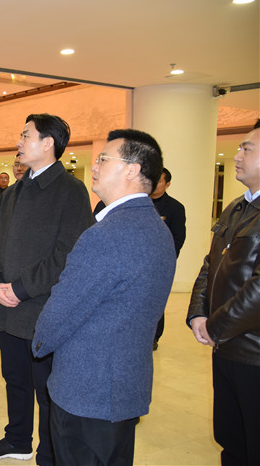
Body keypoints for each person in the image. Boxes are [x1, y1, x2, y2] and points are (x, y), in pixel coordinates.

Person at [32, 129, 176, 466]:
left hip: (87, 391)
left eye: (103, 159)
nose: (94, 166)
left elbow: (63, 310)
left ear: (131, 170)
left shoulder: (106, 235)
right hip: (124, 387)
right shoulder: (157, 229)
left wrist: (39, 343)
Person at [0, 114, 93, 464]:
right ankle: (17, 440)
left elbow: (68, 253)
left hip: (45, 309)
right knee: (14, 378)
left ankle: (49, 452)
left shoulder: (70, 191)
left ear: (48, 143)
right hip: (8, 305)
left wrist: (21, 288)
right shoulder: (12, 193)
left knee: (47, 388)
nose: (19, 142)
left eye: (25, 135)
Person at [187, 123, 260, 465]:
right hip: (226, 348)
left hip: (253, 352)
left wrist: (215, 326)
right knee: (231, 439)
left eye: (247, 149)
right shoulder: (236, 207)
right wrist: (198, 313)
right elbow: (210, 263)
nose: (238, 155)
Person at [0, 155, 28, 351]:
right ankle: (0, 338)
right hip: (4, 270)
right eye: (16, 164)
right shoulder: (6, 195)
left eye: (23, 164)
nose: (19, 167)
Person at [149, 167, 186, 350]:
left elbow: (178, 237)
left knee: (156, 300)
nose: (155, 183)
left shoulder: (175, 208)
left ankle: (154, 336)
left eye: (159, 181)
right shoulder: (140, 202)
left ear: (167, 184)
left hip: (159, 263)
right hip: (137, 262)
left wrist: (168, 261)